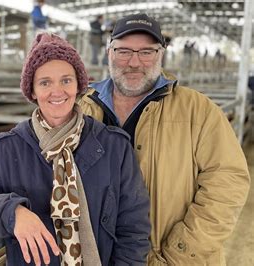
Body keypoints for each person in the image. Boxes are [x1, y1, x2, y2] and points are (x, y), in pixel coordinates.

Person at [0, 33, 151, 265]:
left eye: (66, 80)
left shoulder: (114, 147)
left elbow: (134, 230)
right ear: (32, 91)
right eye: (45, 82)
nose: (57, 91)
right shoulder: (6, 150)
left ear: (78, 85)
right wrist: (12, 213)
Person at [77, 13, 251, 265]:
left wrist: (178, 253)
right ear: (109, 52)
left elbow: (228, 184)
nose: (134, 62)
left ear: (161, 54)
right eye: (123, 51)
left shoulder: (198, 110)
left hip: (169, 256)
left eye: (146, 52)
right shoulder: (81, 108)